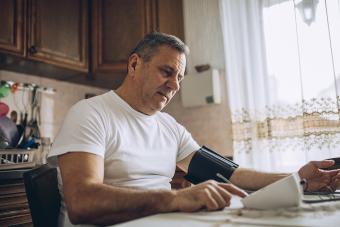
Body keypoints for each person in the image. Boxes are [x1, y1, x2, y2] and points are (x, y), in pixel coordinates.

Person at [47, 32, 340, 227]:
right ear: (135, 64)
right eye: (167, 71)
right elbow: (82, 202)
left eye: (180, 77)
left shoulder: (169, 127)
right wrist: (175, 198)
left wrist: (296, 180)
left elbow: (229, 174)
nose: (175, 85)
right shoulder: (91, 113)